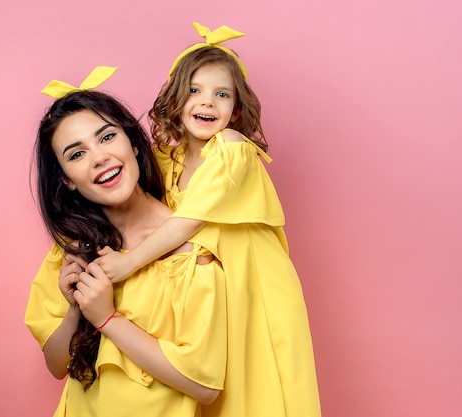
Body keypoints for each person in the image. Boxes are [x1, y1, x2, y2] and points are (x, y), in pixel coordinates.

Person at [95, 24, 322, 417]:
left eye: (222, 94)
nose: (208, 102)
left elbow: (188, 221)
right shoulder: (171, 160)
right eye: (195, 91)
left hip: (252, 288)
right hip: (208, 291)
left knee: (256, 385)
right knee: (209, 380)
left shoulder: (232, 149)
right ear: (176, 101)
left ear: (236, 109)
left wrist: (128, 263)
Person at [24, 67, 227, 417]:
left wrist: (107, 319)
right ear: (67, 181)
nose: (99, 157)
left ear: (133, 143)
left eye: (106, 137)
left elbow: (204, 385)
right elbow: (57, 365)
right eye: (76, 154)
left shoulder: (192, 249)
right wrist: (76, 309)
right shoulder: (72, 249)